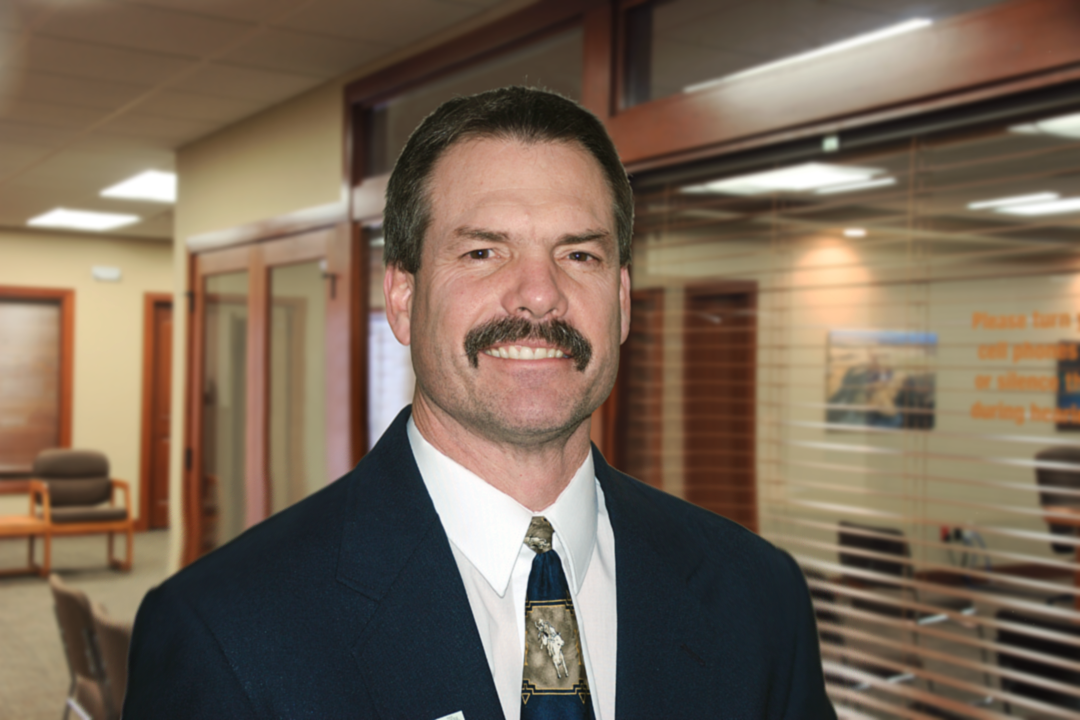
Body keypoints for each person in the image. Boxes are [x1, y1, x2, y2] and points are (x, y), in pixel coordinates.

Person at [124, 86, 835, 719]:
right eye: (483, 252)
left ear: (620, 303)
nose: (539, 294)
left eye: (579, 254)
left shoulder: (757, 596)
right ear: (401, 297)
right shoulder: (226, 629)